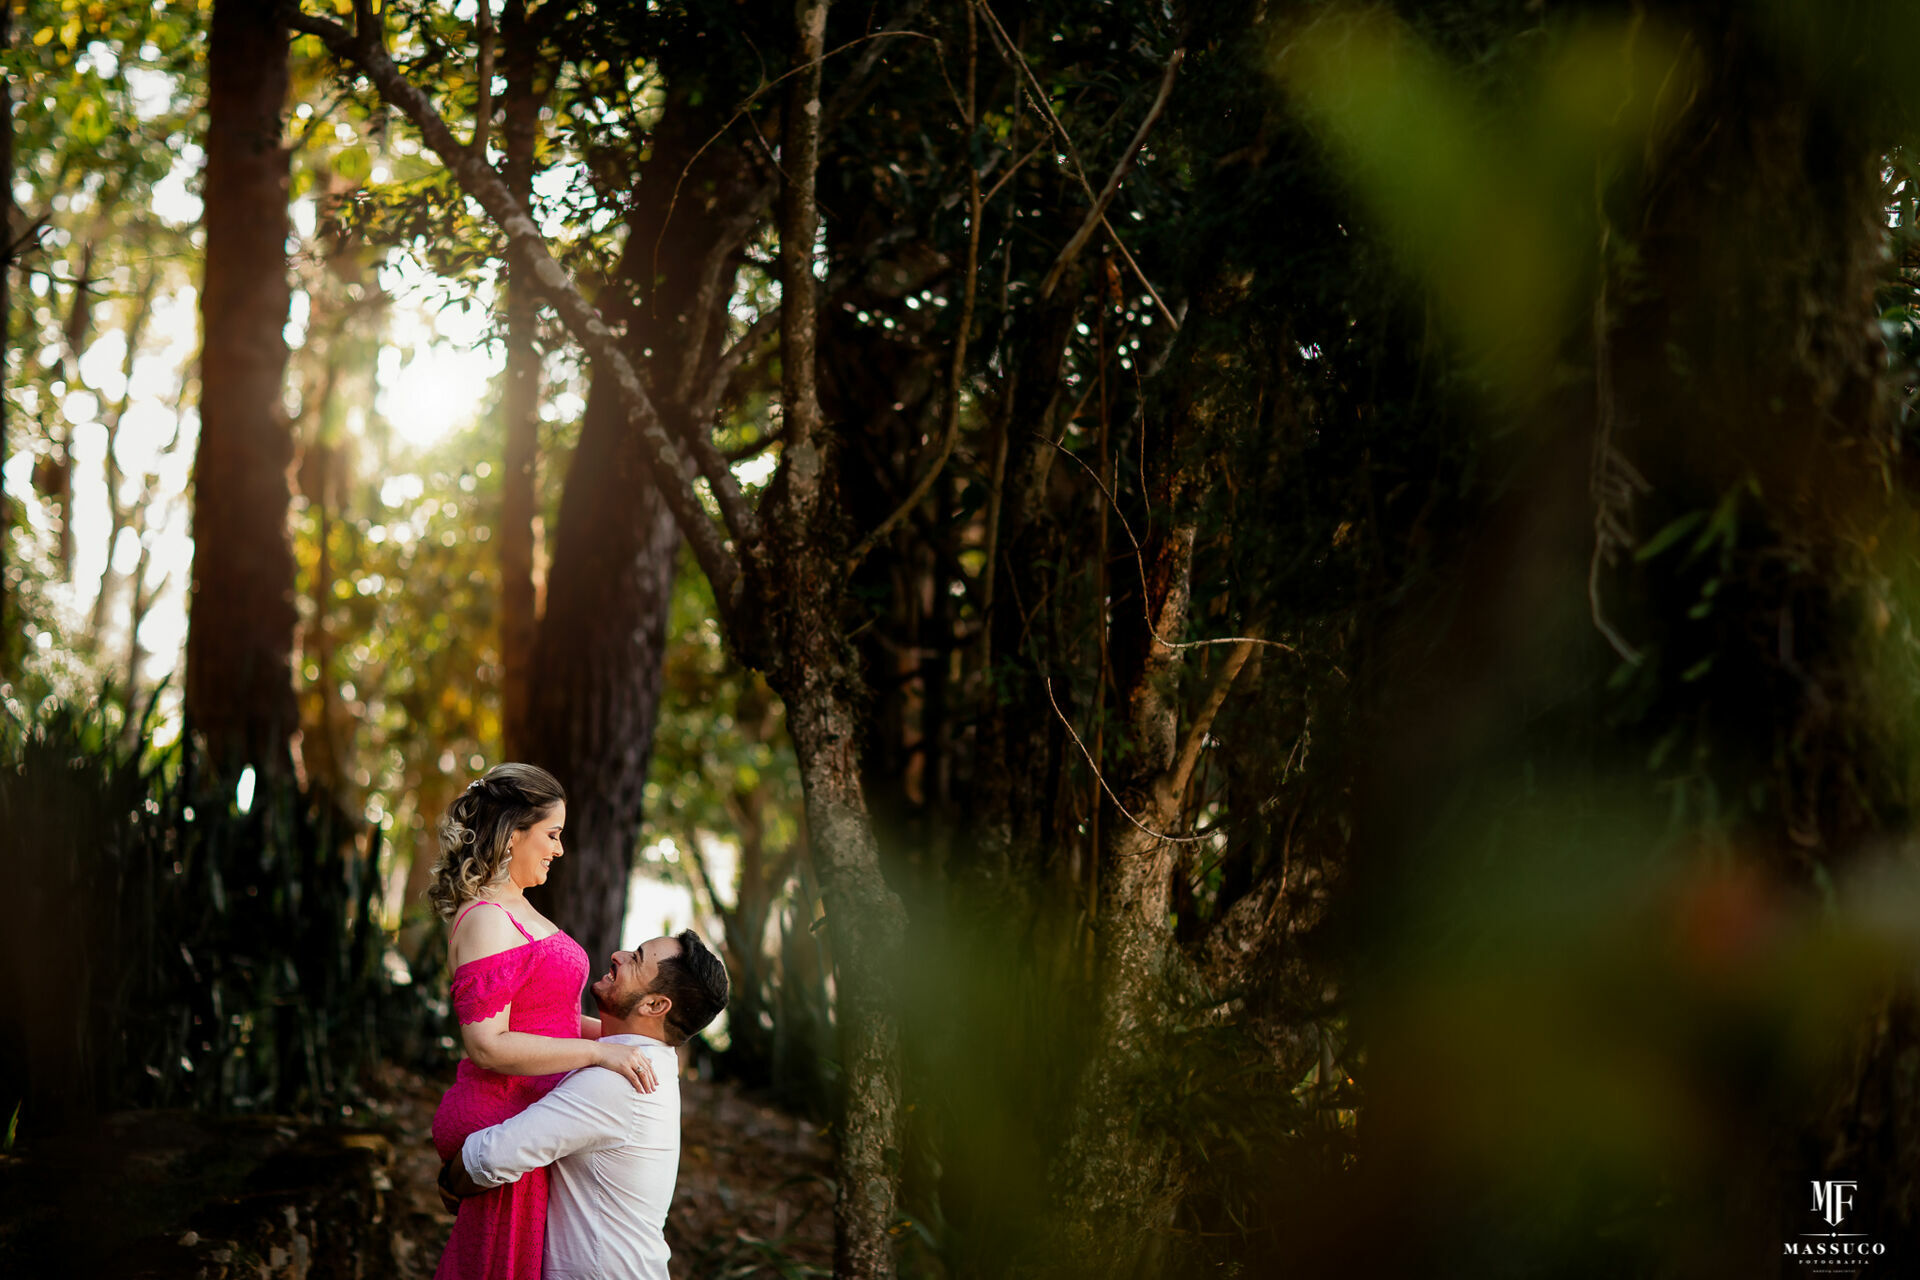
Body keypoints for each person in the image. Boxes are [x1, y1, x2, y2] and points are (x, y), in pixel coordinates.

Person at [426, 763, 661, 1280]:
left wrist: (640, 1042)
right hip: (503, 1116)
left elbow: (549, 1019)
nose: (558, 849)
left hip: (531, 1113)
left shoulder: (517, 908)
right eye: (552, 835)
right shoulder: (487, 917)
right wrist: (601, 1053)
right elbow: (487, 1045)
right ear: (513, 834)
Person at [437, 930, 731, 1280]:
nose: (618, 955)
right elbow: (553, 1027)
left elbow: (490, 1158)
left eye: (636, 959)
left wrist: (448, 1182)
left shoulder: (616, 1082)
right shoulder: (652, 1059)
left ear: (654, 1006)